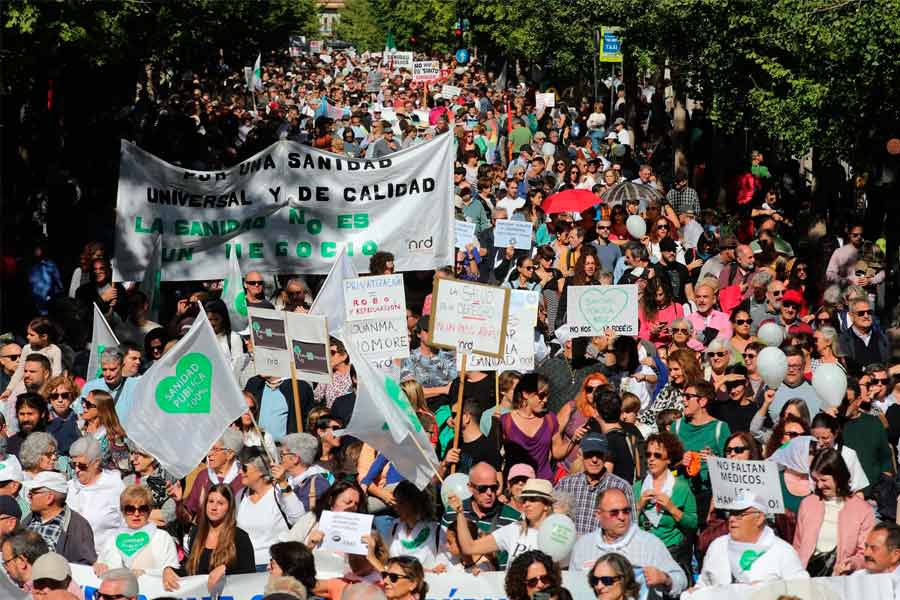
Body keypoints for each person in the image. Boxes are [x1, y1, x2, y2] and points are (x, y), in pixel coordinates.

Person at [569, 489, 686, 597]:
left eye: (626, 511)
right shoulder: (583, 545)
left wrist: (665, 578)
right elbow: (572, 588)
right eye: (614, 512)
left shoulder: (649, 544)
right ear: (598, 515)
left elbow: (681, 580)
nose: (622, 517)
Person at [697, 492, 809, 586]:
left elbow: (800, 591)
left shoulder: (783, 552)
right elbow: (704, 584)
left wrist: (769, 591)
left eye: (740, 514)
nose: (732, 519)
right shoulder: (717, 546)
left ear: (759, 518)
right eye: (730, 513)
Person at [793, 448, 874, 576]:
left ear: (838, 476)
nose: (819, 485)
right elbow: (797, 546)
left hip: (840, 579)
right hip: (805, 577)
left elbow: (865, 553)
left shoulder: (863, 510)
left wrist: (852, 564)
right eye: (815, 480)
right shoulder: (807, 504)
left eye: (824, 480)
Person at [633, 432, 697, 579]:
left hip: (673, 553)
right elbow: (624, 522)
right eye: (648, 455)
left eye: (657, 455)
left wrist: (672, 508)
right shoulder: (637, 487)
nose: (651, 459)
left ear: (668, 459)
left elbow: (693, 523)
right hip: (644, 553)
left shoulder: (681, 487)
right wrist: (639, 506)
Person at [94, 484, 179, 590]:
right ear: (123, 511)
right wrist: (99, 566)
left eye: (142, 509)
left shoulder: (163, 538)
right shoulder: (112, 539)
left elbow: (172, 573)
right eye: (130, 509)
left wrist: (146, 574)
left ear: (149, 511)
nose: (136, 514)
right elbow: (100, 565)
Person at [451, 478, 554, 565]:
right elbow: (470, 548)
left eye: (532, 499)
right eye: (525, 499)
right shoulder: (514, 530)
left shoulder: (557, 534)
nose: (526, 504)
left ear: (546, 505)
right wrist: (460, 513)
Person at [439, 462, 520, 568]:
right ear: (470, 487)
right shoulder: (452, 512)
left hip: (497, 580)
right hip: (458, 579)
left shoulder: (513, 518)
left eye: (494, 487)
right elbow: (443, 552)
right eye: (482, 488)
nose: (489, 493)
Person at [236, 446, 303, 569]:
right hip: (244, 564)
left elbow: (299, 519)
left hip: (272, 565)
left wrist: (283, 483)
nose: (240, 472)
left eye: (244, 468)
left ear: (260, 471)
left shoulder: (278, 492)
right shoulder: (241, 495)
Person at [181, 483, 255, 592]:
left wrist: (226, 569)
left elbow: (250, 576)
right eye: (210, 502)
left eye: (220, 503)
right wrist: (170, 571)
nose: (214, 507)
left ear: (229, 507)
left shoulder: (240, 537)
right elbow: (190, 570)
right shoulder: (196, 533)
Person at [556, 433, 635, 535]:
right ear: (581, 455)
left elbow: (631, 527)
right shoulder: (566, 484)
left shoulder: (621, 487)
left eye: (599, 454)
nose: (594, 460)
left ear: (606, 456)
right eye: (589, 454)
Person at [20, 471, 96, 564]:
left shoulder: (78, 526)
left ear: (49, 498)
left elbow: (85, 564)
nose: (28, 496)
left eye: (33, 493)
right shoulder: (29, 519)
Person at [170, 429, 244, 524]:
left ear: (229, 454)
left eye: (215, 449)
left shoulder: (243, 479)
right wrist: (179, 503)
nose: (209, 454)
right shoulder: (203, 476)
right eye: (209, 448)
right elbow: (187, 518)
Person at [66, 435, 125, 555]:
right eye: (73, 465)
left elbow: (126, 523)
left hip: (106, 558)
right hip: (73, 558)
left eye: (82, 466)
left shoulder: (115, 485)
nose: (76, 470)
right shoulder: (69, 487)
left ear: (96, 463)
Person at [500, 373, 563, 481]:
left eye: (547, 396)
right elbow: (494, 457)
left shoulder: (550, 418)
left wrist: (574, 440)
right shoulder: (505, 421)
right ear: (525, 394)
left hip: (543, 485)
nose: (546, 400)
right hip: (517, 486)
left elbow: (557, 452)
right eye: (542, 395)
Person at [285, 479, 365, 548]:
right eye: (348, 502)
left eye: (356, 504)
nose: (352, 507)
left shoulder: (361, 531)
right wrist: (310, 546)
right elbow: (288, 551)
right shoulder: (312, 519)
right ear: (331, 501)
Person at [77, 348, 140, 423]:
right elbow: (80, 414)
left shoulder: (134, 385)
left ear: (122, 366)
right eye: (104, 369)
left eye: (112, 369)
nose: (108, 374)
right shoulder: (89, 387)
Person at [275, 433, 331, 512]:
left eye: (282, 454)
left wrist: (282, 483)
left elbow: (300, 517)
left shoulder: (318, 483)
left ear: (295, 459)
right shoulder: (290, 479)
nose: (280, 459)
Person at [767, 345, 823, 422]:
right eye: (787, 366)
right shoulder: (769, 390)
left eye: (795, 366)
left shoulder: (818, 390)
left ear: (804, 366)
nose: (791, 370)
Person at [838, 297, 889, 373]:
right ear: (852, 317)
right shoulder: (843, 340)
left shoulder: (883, 337)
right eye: (861, 313)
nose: (866, 316)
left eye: (869, 312)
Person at [40, 375, 80, 456]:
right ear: (49, 399)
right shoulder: (42, 422)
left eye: (64, 395)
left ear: (72, 397)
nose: (60, 400)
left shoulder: (80, 420)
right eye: (55, 396)